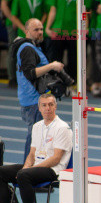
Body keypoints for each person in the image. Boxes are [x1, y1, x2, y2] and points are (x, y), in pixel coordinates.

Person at [0, 93, 72, 203]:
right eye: (44, 105)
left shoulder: (62, 128)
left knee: (24, 175)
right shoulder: (37, 126)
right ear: (39, 108)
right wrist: (27, 166)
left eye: (50, 105)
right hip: (35, 167)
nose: (47, 108)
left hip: (53, 170)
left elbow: (56, 158)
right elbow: (32, 153)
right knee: (1, 171)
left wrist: (29, 170)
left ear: (55, 107)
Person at [12, 18, 65, 161]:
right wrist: (52, 66)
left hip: (35, 99)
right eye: (36, 30)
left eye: (41, 29)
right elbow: (30, 73)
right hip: (33, 101)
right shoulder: (27, 49)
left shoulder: (32, 47)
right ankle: (26, 174)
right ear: (27, 31)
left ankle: (30, 175)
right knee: (35, 139)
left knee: (39, 138)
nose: (40, 32)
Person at [46, 0, 89, 80]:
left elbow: (84, 11)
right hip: (58, 30)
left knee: (74, 60)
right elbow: (53, 9)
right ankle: (55, 81)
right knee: (55, 58)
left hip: (75, 31)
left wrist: (85, 27)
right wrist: (48, 27)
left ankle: (71, 82)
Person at [1, 0, 22, 87]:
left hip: (21, 21)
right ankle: (11, 77)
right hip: (13, 23)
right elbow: (4, 5)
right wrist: (12, 19)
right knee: (13, 49)